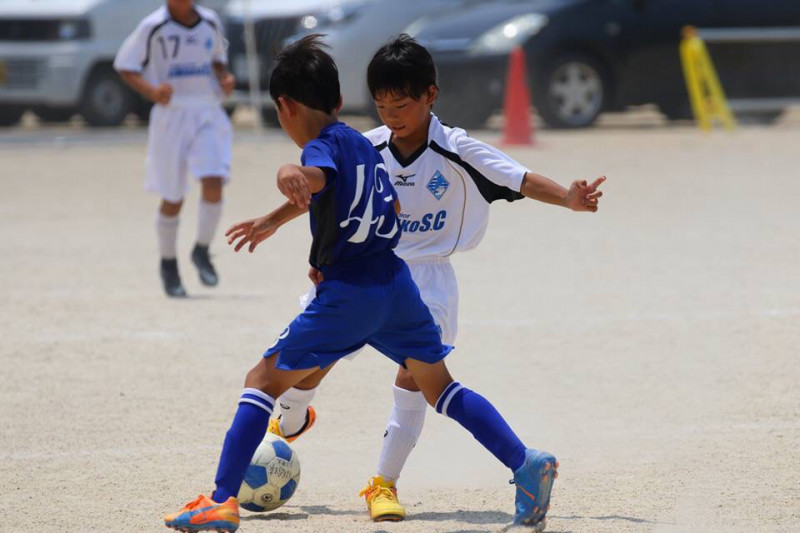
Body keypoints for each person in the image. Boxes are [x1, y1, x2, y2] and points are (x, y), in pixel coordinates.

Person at [162, 35, 558, 532]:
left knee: (260, 381)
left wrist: (291, 172)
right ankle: (525, 462)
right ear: (338, 98)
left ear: (286, 107)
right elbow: (390, 208)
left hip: (352, 292)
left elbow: (317, 176)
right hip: (397, 286)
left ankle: (222, 500)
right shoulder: (363, 145)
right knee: (440, 388)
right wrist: (324, 247)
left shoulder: (323, 147)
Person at [270, 34, 603, 522]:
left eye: (401, 105)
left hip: (426, 282)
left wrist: (568, 199)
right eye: (382, 106)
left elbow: (521, 179)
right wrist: (283, 228)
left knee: (417, 382)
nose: (391, 116)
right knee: (304, 364)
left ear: (430, 95)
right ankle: (290, 421)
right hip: (362, 267)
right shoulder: (367, 146)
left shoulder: (458, 150)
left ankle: (383, 484)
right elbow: (323, 190)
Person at [115, 0, 234, 297]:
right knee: (173, 196)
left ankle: (202, 249)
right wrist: (152, 91)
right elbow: (125, 66)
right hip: (172, 115)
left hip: (206, 110)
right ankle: (168, 264)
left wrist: (224, 78)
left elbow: (217, 59)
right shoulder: (153, 26)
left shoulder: (210, 21)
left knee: (214, 179)